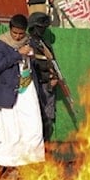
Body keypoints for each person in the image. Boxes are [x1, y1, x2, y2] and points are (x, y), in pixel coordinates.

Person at [0, 14, 46, 167]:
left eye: (21, 33)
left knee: (33, 125)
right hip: (8, 91)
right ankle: (8, 164)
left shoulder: (29, 42)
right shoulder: (0, 45)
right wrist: (17, 54)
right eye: (15, 33)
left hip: (27, 89)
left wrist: (33, 55)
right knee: (9, 129)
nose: (17, 36)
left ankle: (31, 161)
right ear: (10, 30)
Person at [27, 12, 60, 141]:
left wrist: (54, 76)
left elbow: (53, 62)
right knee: (37, 119)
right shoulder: (28, 42)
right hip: (36, 85)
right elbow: (33, 63)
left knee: (48, 120)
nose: (42, 30)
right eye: (40, 27)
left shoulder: (44, 44)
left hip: (47, 85)